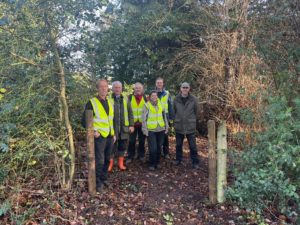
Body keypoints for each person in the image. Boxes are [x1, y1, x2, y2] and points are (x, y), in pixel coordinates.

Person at [82, 79, 115, 192]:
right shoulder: (91, 102)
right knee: (99, 161)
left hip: (110, 136)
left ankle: (104, 178)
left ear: (108, 88)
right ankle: (97, 182)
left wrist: (113, 133)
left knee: (107, 159)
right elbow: (84, 121)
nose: (103, 89)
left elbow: (111, 120)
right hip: (99, 137)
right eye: (101, 87)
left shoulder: (110, 102)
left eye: (105, 86)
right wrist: (94, 131)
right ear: (97, 88)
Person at [108, 81, 134, 171]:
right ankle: (110, 164)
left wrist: (131, 125)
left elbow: (130, 113)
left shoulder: (126, 99)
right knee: (111, 147)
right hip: (112, 129)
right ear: (112, 88)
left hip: (124, 129)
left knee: (122, 147)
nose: (117, 89)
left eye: (119, 87)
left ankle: (120, 163)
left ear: (121, 89)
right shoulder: (108, 99)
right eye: (115, 87)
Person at [173, 82, 200, 169]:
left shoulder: (194, 99)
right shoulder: (176, 99)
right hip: (179, 125)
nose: (185, 89)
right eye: (183, 87)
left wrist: (192, 119)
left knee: (192, 146)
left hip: (190, 125)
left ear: (189, 89)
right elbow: (174, 111)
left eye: (186, 87)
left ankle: (195, 162)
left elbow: (197, 112)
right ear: (180, 89)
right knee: (178, 145)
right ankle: (178, 160)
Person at [142, 90, 169, 170]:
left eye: (155, 95)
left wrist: (166, 127)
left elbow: (164, 117)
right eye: (152, 95)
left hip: (161, 129)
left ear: (157, 96)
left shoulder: (161, 104)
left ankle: (157, 162)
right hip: (151, 130)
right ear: (150, 97)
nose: (154, 97)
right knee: (153, 148)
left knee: (159, 148)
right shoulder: (146, 105)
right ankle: (151, 164)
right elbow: (143, 119)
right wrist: (144, 130)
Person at [127, 82, 147, 163]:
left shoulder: (145, 98)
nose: (138, 89)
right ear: (134, 89)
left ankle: (141, 155)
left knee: (142, 141)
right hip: (132, 124)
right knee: (131, 141)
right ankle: (130, 156)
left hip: (142, 124)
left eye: (139, 88)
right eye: (136, 88)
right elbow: (127, 110)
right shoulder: (130, 97)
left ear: (142, 89)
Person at [155, 77, 174, 159]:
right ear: (155, 84)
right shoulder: (153, 93)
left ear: (163, 84)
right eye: (158, 82)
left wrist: (171, 118)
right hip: (155, 117)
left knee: (165, 136)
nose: (159, 84)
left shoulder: (167, 93)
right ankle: (156, 152)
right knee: (156, 135)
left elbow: (170, 105)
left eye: (160, 82)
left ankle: (166, 153)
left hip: (165, 117)